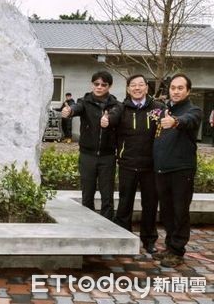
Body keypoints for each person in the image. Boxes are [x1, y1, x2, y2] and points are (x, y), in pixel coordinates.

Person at [152, 73, 202, 268]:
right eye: (173, 87)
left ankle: (177, 250)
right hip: (162, 169)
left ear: (188, 90)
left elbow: (188, 120)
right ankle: (170, 247)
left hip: (182, 170)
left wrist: (175, 122)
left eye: (180, 88)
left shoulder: (193, 110)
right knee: (166, 211)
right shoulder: (165, 109)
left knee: (180, 211)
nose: (176, 91)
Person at [110, 74, 164, 254]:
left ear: (146, 88)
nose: (137, 88)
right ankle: (124, 238)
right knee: (125, 203)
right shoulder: (121, 108)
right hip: (127, 163)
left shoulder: (157, 108)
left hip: (151, 165)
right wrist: (106, 120)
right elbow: (111, 121)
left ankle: (149, 240)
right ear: (128, 89)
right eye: (133, 85)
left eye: (141, 85)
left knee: (150, 204)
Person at [62, 71, 120, 220]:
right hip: (87, 155)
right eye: (96, 84)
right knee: (87, 194)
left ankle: (107, 226)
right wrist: (69, 111)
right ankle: (87, 224)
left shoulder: (116, 104)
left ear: (109, 86)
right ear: (92, 84)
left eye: (103, 85)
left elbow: (116, 115)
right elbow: (76, 108)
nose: (99, 87)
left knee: (107, 196)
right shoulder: (84, 102)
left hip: (108, 157)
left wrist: (109, 120)